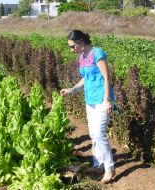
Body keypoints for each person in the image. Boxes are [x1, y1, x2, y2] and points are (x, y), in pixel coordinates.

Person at [60, 30, 115, 183]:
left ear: (81, 43)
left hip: (102, 100)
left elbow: (107, 77)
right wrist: (72, 89)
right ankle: (98, 165)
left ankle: (110, 168)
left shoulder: (98, 53)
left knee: (99, 134)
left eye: (72, 46)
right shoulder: (82, 57)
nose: (71, 50)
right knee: (92, 133)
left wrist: (107, 100)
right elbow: (85, 78)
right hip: (89, 101)